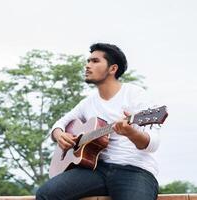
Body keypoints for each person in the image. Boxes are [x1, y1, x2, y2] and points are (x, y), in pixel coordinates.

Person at [36, 43, 160, 200]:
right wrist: (60, 135)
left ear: (112, 69)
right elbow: (58, 125)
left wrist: (131, 132)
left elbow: (153, 144)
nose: (87, 66)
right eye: (88, 61)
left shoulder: (135, 95)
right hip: (95, 170)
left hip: (134, 170)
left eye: (95, 61)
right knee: (45, 194)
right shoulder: (88, 103)